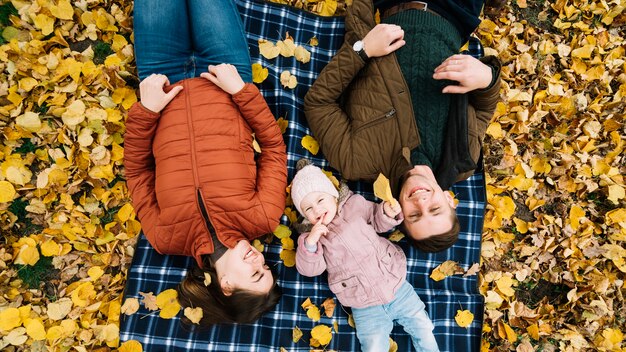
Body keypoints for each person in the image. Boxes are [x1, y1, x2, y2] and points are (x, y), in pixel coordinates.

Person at [124, 0, 287, 325]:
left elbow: (137, 170)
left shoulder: (165, 238)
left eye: (255, 275)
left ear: (226, 286)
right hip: (222, 72)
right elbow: (273, 147)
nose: (260, 261)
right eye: (266, 269)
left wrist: (148, 109)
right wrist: (241, 91)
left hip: (162, 75)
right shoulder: (264, 216)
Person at [304, 0, 502, 252]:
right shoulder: (464, 157)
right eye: (434, 208)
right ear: (450, 200)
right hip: (456, 11)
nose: (421, 201)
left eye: (415, 215)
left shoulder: (356, 162)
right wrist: (486, 78)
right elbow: (485, 108)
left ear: (398, 211)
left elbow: (318, 103)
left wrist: (362, 50)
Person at [292, 161, 439, 352]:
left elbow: (377, 220)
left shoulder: (355, 205)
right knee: (373, 346)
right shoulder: (310, 236)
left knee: (423, 326)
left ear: (334, 196)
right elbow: (311, 269)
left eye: (320, 200)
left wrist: (387, 212)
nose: (317, 210)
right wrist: (311, 243)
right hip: (362, 302)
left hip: (394, 282)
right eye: (308, 209)